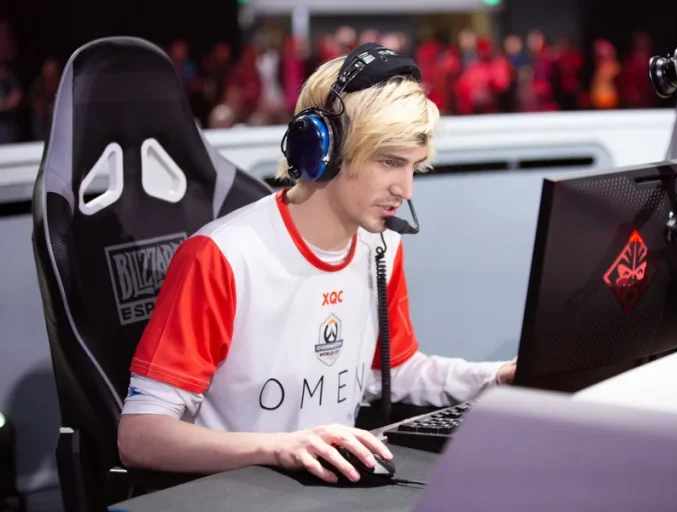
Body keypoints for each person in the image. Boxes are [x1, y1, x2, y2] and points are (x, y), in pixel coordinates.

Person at [117, 43, 517, 484]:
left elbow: (393, 372)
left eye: (413, 167)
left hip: (328, 490)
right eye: (389, 162)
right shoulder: (222, 256)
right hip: (235, 493)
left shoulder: (382, 246)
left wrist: (495, 378)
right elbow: (139, 436)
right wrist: (278, 447)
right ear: (322, 150)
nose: (406, 190)